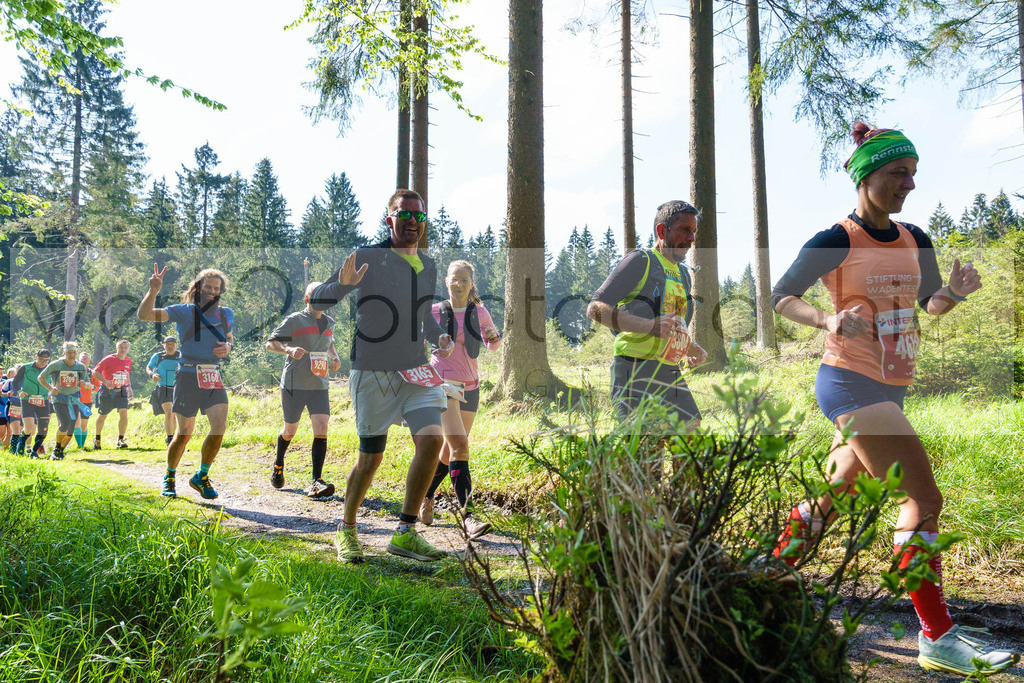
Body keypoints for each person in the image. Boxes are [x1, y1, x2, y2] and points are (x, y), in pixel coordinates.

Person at [770, 122, 1018, 676]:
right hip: (849, 381)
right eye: (896, 173)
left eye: (912, 174)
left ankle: (757, 587)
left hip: (891, 385)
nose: (908, 184)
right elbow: (780, 297)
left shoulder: (915, 237)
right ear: (865, 178)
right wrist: (827, 317)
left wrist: (952, 293)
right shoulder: (837, 238)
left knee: (833, 496)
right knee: (923, 500)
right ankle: (936, 637)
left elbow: (929, 303)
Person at [310, 188, 454, 563]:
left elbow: (423, 318)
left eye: (419, 217)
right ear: (389, 218)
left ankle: (404, 533)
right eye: (404, 215)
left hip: (415, 370)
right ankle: (347, 527)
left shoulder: (429, 265)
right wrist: (344, 284)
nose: (412, 222)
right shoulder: (367, 256)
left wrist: (438, 336)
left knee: (432, 440)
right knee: (370, 457)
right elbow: (319, 302)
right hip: (372, 368)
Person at [586, 200, 708, 429]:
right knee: (646, 454)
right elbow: (595, 308)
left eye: (694, 231)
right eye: (685, 230)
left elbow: (670, 326)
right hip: (632, 370)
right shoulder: (640, 261)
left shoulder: (684, 274)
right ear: (662, 230)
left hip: (668, 371)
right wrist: (649, 326)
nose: (691, 238)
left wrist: (692, 348)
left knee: (690, 434)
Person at [419, 260, 501, 539]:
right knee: (460, 445)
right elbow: (418, 342)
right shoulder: (433, 311)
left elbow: (493, 343)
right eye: (455, 279)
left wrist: (493, 336)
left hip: (472, 385)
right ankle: (467, 516)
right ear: (446, 281)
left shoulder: (480, 311)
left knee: (449, 451)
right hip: (442, 383)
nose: (460, 284)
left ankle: (426, 494)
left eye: (465, 280)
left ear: (471, 283)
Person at [138, 265, 233, 500]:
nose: (212, 291)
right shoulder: (184, 311)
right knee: (184, 432)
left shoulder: (226, 314)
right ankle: (169, 476)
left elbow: (229, 339)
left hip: (212, 374)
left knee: (219, 427)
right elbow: (145, 315)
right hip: (188, 374)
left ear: (221, 291)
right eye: (208, 287)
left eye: (216, 288)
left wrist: (228, 347)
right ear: (198, 288)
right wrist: (153, 291)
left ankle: (201, 475)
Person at [266, 281, 343, 499]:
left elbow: (329, 343)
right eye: (315, 297)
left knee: (322, 428)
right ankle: (279, 464)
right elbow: (270, 343)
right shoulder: (294, 320)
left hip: (319, 383)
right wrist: (288, 349)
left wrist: (334, 357)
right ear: (307, 299)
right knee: (290, 430)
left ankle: (316, 481)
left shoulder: (329, 322)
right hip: (294, 384)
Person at [38, 341, 91, 460]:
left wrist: (84, 384)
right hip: (59, 399)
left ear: (76, 353)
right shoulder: (56, 365)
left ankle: (60, 450)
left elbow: (89, 384)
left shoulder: (80, 367)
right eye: (69, 352)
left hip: (73, 400)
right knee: (65, 423)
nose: (71, 355)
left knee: (71, 429)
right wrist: (51, 388)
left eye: (73, 352)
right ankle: (56, 449)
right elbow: (41, 377)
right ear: (64, 352)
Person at [92, 339, 133, 450]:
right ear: (117, 348)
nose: (123, 350)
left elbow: (126, 373)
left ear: (128, 349)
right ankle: (97, 439)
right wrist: (105, 381)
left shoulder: (128, 360)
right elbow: (95, 372)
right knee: (103, 415)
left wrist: (129, 387)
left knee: (124, 413)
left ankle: (120, 440)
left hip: (122, 390)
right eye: (121, 347)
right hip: (108, 391)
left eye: (125, 348)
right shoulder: (109, 359)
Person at [15, 349, 54, 458]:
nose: (44, 363)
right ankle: (21, 444)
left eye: (47, 360)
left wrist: (51, 391)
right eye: (42, 360)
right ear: (36, 357)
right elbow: (15, 382)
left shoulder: (50, 369)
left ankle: (34, 452)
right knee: (29, 428)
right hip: (27, 399)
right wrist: (20, 391)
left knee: (44, 429)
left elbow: (54, 382)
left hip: (43, 400)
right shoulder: (26, 367)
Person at [147, 336, 181, 445]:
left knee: (174, 414)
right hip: (163, 388)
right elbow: (149, 367)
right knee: (169, 412)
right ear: (164, 345)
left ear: (176, 345)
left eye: (172, 344)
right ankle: (170, 438)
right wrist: (152, 375)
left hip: (177, 388)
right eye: (168, 344)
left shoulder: (181, 356)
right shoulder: (158, 356)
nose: (170, 346)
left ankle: (174, 438)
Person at [74, 352, 97, 450]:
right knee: (77, 422)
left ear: (89, 361)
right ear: (79, 360)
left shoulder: (92, 373)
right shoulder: (74, 371)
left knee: (84, 424)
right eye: (82, 359)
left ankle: (82, 445)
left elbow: (98, 387)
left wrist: (91, 386)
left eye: (86, 359)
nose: (84, 361)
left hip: (87, 400)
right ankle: (79, 445)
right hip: (75, 400)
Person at [3, 366, 24, 454]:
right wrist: (7, 394)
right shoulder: (9, 382)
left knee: (22, 431)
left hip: (25, 408)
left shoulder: (28, 382)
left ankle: (20, 450)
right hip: (13, 407)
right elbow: (2, 392)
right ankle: (12, 451)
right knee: (15, 431)